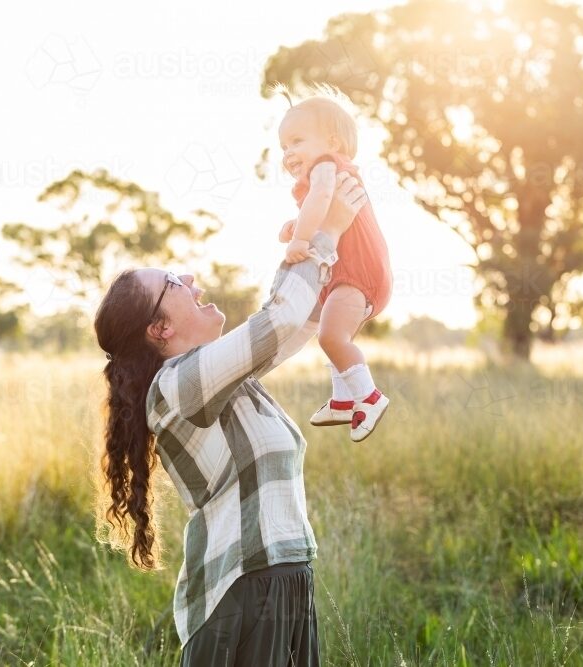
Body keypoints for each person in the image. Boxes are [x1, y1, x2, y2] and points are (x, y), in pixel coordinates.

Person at [94, 173, 367, 666]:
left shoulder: (224, 379)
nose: (189, 278)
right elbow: (280, 319)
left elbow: (300, 321)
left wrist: (324, 231)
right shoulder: (175, 387)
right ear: (160, 328)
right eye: (173, 282)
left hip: (286, 580)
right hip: (241, 592)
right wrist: (324, 234)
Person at [277, 93, 394, 442]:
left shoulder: (326, 165)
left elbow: (322, 198)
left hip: (357, 273)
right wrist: (297, 225)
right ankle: (343, 401)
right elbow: (320, 209)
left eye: (297, 141)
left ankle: (369, 397)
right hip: (352, 275)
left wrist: (300, 239)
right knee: (333, 333)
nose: (288, 153)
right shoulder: (322, 175)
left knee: (331, 336)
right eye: (284, 146)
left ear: (332, 142)